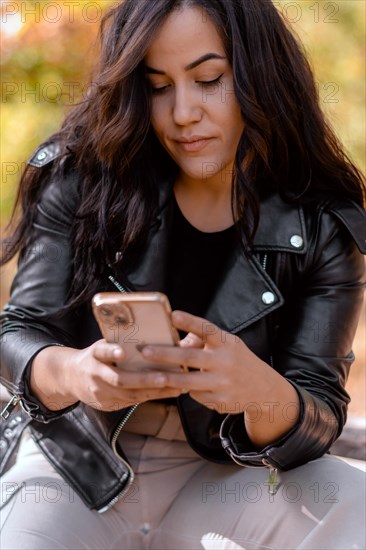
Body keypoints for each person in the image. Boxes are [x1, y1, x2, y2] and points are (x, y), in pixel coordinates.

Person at [0, 0, 365, 548]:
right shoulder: (81, 177)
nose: (182, 113)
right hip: (75, 462)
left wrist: (257, 391)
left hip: (223, 474)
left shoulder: (322, 222)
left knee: (352, 502)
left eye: (209, 79)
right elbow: (17, 332)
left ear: (260, 74)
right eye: (158, 86)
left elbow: (317, 411)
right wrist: (78, 374)